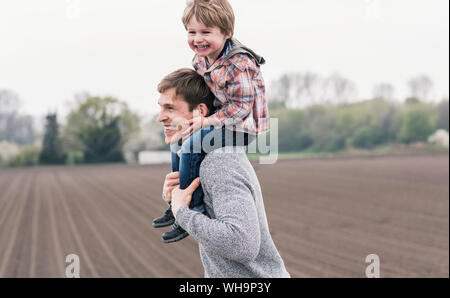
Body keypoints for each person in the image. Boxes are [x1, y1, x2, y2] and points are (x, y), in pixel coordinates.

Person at [153, 0, 269, 243]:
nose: (198, 39)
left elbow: (240, 109)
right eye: (192, 32)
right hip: (218, 119)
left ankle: (192, 211)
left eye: (206, 32)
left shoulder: (240, 64)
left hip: (243, 126)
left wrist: (205, 123)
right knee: (178, 142)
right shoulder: (200, 59)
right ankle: (176, 202)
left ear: (227, 33)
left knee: (192, 146)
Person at [157, 68, 290, 277]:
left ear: (200, 112)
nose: (160, 117)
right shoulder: (203, 159)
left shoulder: (218, 162)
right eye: (160, 108)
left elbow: (242, 245)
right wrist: (175, 200)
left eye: (170, 108)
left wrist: (181, 212)